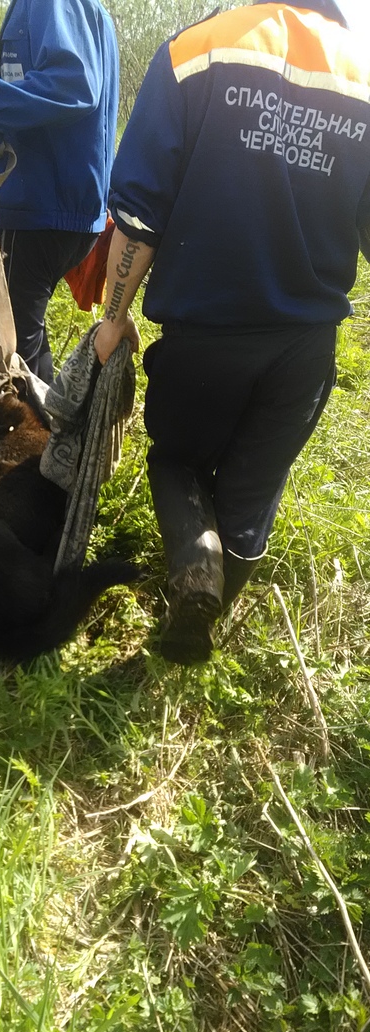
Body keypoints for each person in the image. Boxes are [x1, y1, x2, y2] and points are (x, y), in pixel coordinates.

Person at [94, 0, 370, 664]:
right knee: (250, 496)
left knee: (176, 459)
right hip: (303, 349)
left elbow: (138, 216)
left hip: (204, 333)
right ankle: (199, 623)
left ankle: (195, 576)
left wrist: (113, 317)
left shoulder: (199, 50)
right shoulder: (361, 77)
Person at [0, 0, 119, 384]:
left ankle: (37, 425)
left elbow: (73, 82)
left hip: (37, 209)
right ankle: (51, 417)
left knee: (9, 353)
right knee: (26, 340)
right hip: (57, 209)